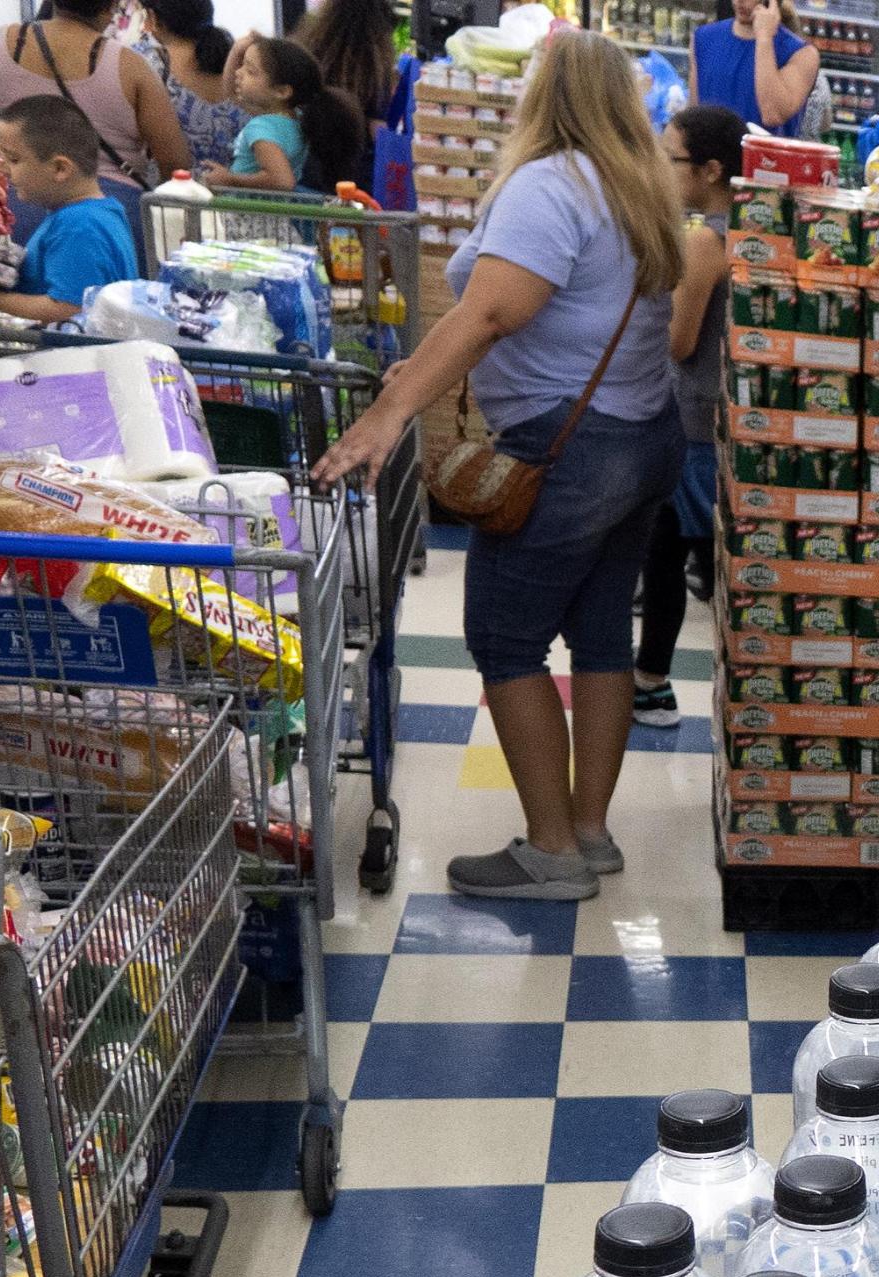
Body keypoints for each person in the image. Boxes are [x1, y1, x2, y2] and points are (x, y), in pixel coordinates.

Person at [314, 33, 683, 902]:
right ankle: (588, 832)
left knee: (506, 639)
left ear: (538, 98)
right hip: (642, 436)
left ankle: (550, 851)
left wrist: (385, 417)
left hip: (568, 447)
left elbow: (488, 316)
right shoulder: (642, 189)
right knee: (600, 637)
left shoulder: (551, 184)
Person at [635, 102, 740, 728]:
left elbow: (679, 342)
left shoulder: (705, 243)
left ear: (709, 170)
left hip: (693, 425)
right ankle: (653, 683)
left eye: (670, 157)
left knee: (673, 555)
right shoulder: (755, 229)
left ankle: (652, 683)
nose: (661, 168)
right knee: (690, 555)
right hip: (724, 419)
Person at [0, 0, 190, 187]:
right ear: (111, 7)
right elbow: (175, 162)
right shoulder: (132, 67)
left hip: (18, 203)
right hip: (111, 202)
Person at [0, 97, 136, 322]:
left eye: (13, 159)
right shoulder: (93, 212)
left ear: (60, 168)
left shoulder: (80, 224)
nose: (2, 168)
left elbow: (68, 309)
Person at [203, 35, 364, 194]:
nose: (238, 72)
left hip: (249, 216)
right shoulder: (294, 118)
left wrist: (230, 179)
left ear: (281, 91)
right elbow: (232, 92)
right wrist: (238, 50)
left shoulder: (261, 127)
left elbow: (282, 181)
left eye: (250, 71)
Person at [135, 0, 241, 177]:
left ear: (153, 18)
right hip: (230, 195)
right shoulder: (244, 67)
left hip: (163, 192)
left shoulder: (142, 60)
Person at [691, 0, 817, 138]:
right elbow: (694, 116)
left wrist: (764, 38)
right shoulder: (703, 38)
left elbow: (772, 113)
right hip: (711, 155)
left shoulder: (802, 54)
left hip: (764, 158)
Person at [291, 0, 397, 133]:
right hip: (351, 145)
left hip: (307, 137)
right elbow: (377, 124)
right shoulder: (373, 70)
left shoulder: (310, 46)